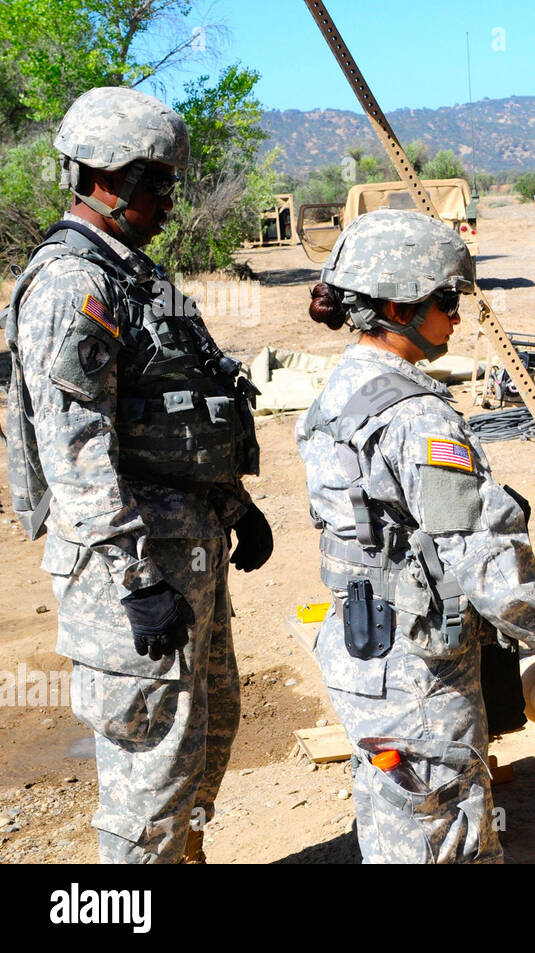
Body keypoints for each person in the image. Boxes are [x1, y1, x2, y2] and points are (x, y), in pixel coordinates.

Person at [296, 208, 535, 864]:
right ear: (395, 304)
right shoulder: (418, 418)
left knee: (395, 823)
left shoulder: (339, 392)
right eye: (445, 299)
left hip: (363, 655)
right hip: (418, 677)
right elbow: (482, 561)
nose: (456, 316)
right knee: (448, 837)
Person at [4, 87, 270, 864]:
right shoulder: (71, 285)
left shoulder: (134, 276)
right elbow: (74, 448)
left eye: (169, 182)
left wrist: (234, 501)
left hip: (186, 554)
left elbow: (185, 409)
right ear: (101, 178)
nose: (168, 199)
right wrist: (134, 579)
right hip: (131, 577)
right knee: (150, 778)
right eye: (154, 181)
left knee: (200, 746)